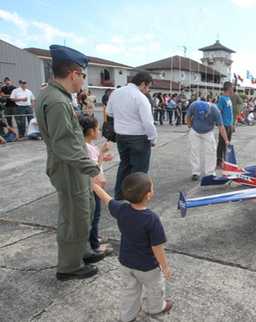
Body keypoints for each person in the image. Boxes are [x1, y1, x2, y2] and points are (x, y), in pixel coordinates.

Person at [35, 44, 106, 280]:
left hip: (72, 166)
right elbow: (65, 143)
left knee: (84, 210)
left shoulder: (56, 95)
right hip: (69, 167)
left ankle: (81, 252)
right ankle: (69, 266)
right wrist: (93, 169)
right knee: (74, 217)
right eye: (83, 75)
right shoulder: (57, 101)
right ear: (74, 73)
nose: (83, 81)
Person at [92, 172, 173, 322]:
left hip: (126, 262)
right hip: (148, 267)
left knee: (129, 291)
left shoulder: (121, 209)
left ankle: (127, 317)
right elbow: (157, 248)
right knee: (155, 289)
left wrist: (94, 185)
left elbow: (106, 198)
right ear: (148, 195)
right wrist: (165, 266)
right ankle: (155, 308)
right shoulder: (152, 219)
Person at [106, 71, 157, 200]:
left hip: (121, 136)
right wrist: (153, 138)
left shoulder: (116, 93)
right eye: (148, 86)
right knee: (139, 171)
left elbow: (109, 112)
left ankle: (119, 195)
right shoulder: (140, 97)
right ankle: (136, 199)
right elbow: (148, 122)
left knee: (124, 166)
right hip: (139, 137)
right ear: (143, 84)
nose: (148, 90)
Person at [79, 115, 114, 257]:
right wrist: (102, 153)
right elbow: (94, 169)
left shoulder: (84, 145)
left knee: (93, 215)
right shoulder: (89, 148)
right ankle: (95, 246)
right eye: (97, 129)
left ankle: (94, 238)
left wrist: (102, 156)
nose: (99, 131)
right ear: (91, 131)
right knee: (95, 215)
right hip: (94, 187)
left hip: (90, 186)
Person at [185, 99, 230, 181]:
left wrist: (226, 140)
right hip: (195, 131)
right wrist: (190, 126)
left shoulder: (215, 110)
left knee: (211, 151)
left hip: (208, 132)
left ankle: (210, 173)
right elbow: (188, 116)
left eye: (204, 115)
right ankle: (195, 172)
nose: (202, 117)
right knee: (194, 151)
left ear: (208, 111)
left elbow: (221, 127)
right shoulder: (194, 105)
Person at [216, 82, 234, 168]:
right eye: (232, 88)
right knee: (222, 144)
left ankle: (225, 161)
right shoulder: (222, 99)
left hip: (229, 125)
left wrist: (232, 124)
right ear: (229, 88)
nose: (233, 89)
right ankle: (219, 161)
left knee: (227, 144)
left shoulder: (228, 98)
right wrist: (220, 125)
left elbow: (230, 112)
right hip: (224, 125)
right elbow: (218, 112)